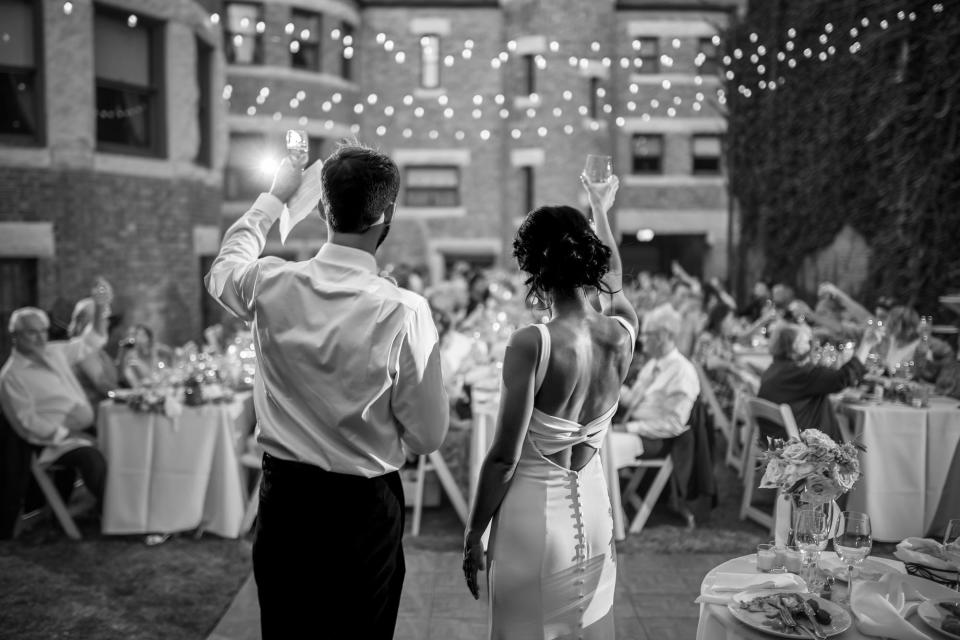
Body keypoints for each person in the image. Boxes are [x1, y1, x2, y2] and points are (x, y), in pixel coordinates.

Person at [205, 142, 448, 639]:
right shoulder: (404, 311)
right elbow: (427, 436)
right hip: (363, 507)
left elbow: (225, 267)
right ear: (388, 214)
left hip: (286, 501)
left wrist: (273, 198)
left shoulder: (271, 282)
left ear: (320, 207)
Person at [462, 175, 638, 638]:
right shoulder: (622, 333)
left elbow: (503, 457)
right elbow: (615, 285)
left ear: (534, 266)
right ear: (591, 259)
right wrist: (600, 210)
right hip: (596, 515)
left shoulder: (532, 342)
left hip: (531, 521)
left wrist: (473, 532)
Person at [0, 280, 113, 516]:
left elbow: (90, 342)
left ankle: (126, 506)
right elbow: (27, 422)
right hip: (52, 443)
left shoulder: (53, 351)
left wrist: (101, 307)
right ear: (15, 336)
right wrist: (68, 434)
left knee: (122, 440)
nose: (41, 338)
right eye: (33, 332)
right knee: (92, 458)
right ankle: (116, 513)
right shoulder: (11, 376)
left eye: (44, 331)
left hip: (82, 430)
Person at [757, 322, 881, 442]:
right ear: (795, 346)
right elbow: (842, 378)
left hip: (776, 440)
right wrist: (866, 344)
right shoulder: (800, 373)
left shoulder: (775, 368)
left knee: (843, 422)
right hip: (800, 449)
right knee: (854, 431)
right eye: (807, 342)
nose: (811, 346)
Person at [617, 304, 700, 457]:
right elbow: (633, 401)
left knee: (602, 447)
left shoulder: (682, 371)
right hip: (636, 429)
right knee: (596, 440)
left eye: (647, 334)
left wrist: (629, 428)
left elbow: (673, 424)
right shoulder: (653, 364)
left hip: (656, 439)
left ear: (663, 336)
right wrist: (612, 385)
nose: (642, 339)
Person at [68, 298, 119, 408]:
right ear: (84, 321)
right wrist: (128, 396)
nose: (107, 322)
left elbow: (115, 377)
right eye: (103, 318)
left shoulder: (98, 350)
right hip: (94, 415)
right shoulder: (82, 349)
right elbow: (102, 385)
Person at [117, 324, 169, 388]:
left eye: (143, 335)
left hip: (161, 385)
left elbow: (170, 355)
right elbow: (126, 376)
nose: (140, 338)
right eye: (138, 335)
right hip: (143, 389)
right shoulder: (131, 356)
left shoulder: (156, 349)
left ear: (149, 337)